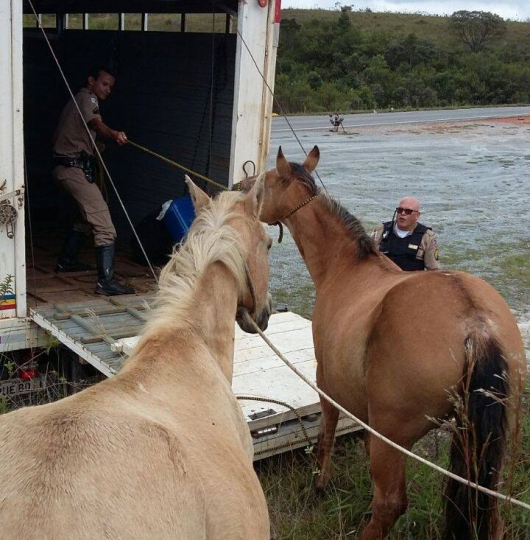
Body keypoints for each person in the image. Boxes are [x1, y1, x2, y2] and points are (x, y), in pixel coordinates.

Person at [52, 66, 134, 296]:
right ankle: (105, 282)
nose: (107, 89)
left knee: (85, 217)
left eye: (110, 86)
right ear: (91, 81)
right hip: (73, 170)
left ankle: (66, 261)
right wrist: (114, 133)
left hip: (64, 169)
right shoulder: (88, 98)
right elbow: (96, 124)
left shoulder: (76, 100)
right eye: (104, 83)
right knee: (105, 225)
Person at [372, 196, 440, 271]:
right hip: (385, 280)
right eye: (400, 210)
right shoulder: (380, 232)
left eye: (408, 211)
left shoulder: (427, 237)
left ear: (417, 215)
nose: (403, 214)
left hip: (412, 281)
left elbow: (433, 271)